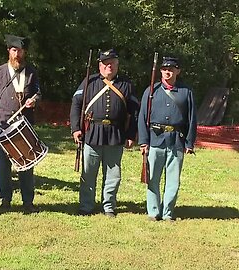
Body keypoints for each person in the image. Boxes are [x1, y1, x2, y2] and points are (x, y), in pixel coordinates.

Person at [70, 49, 139, 217]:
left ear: (117, 65)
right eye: (106, 63)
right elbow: (76, 104)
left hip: (115, 133)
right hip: (92, 132)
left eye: (113, 63)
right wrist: (76, 128)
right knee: (88, 173)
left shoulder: (126, 84)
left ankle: (109, 206)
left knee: (113, 174)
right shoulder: (89, 81)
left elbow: (134, 111)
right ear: (100, 65)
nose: (110, 66)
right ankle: (86, 205)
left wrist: (131, 135)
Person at [0, 34, 41, 214]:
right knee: (3, 165)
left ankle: (27, 202)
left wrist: (34, 100)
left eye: (21, 51)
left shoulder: (31, 71)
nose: (17, 54)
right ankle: (5, 200)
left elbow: (39, 93)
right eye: (14, 50)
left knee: (27, 162)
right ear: (9, 51)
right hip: (3, 123)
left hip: (25, 123)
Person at [137, 56, 197, 222]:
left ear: (178, 71)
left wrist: (189, 142)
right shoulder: (151, 91)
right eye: (164, 69)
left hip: (176, 140)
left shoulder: (186, 92)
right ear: (160, 71)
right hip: (155, 139)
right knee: (153, 179)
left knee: (173, 181)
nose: (167, 72)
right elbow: (142, 117)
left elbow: (192, 119)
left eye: (171, 69)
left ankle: (168, 213)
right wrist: (143, 141)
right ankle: (153, 211)